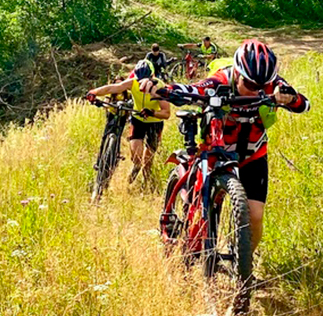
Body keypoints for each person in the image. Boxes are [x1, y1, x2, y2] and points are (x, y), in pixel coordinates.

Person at [160, 39, 309, 252]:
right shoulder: (221, 80)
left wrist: (289, 98)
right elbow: (193, 89)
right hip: (216, 150)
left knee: (255, 216)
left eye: (260, 86)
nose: (256, 91)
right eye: (249, 85)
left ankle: (242, 267)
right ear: (238, 73)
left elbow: (304, 105)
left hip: (253, 153)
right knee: (197, 203)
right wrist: (165, 90)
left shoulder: (273, 83)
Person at [86, 60, 172, 186]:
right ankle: (135, 168)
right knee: (136, 157)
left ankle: (147, 184)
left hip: (155, 122)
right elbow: (113, 88)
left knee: (148, 161)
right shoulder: (133, 83)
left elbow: (166, 113)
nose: (141, 83)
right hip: (138, 120)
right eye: (138, 79)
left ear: (152, 76)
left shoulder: (160, 87)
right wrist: (94, 92)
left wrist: (152, 112)